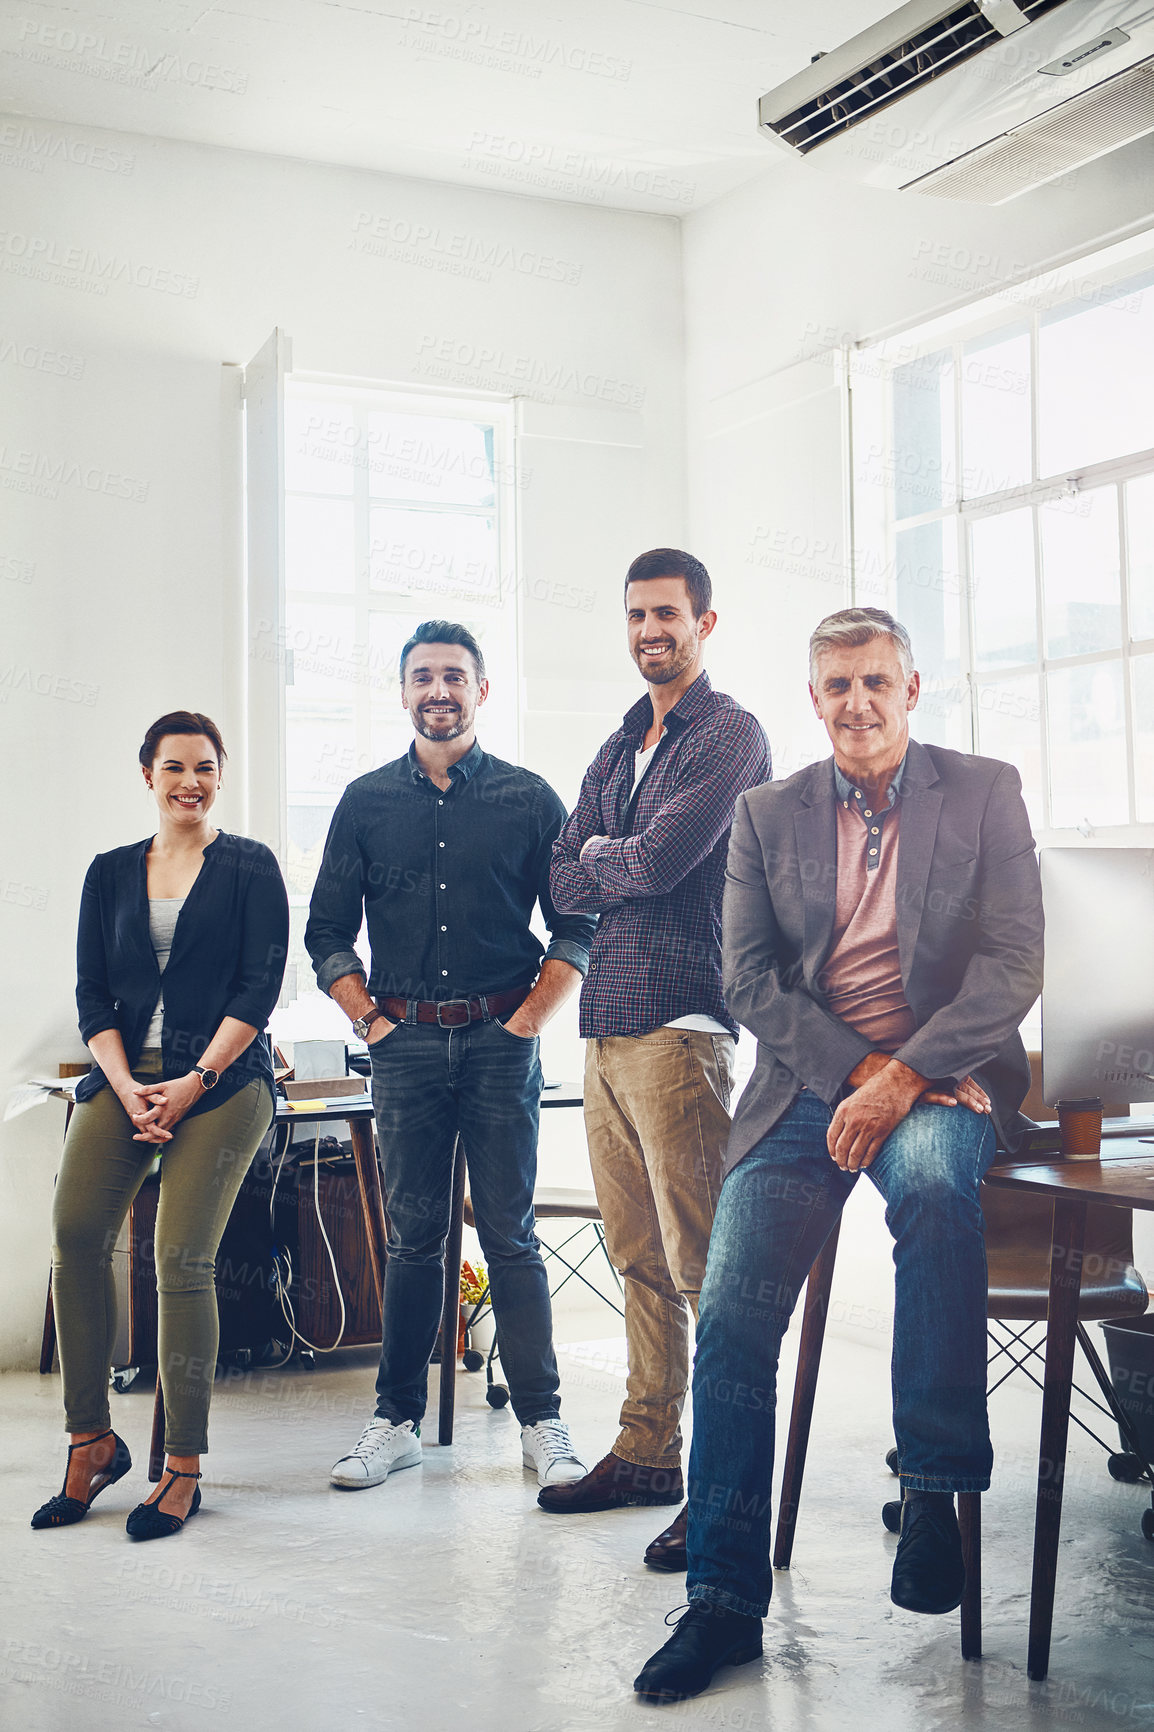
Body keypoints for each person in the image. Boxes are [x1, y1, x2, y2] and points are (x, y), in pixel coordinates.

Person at [634, 606, 1045, 1704]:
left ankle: (931, 1492)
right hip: (805, 1093)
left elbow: (1010, 965)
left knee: (929, 1191)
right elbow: (747, 980)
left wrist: (906, 1074)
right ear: (810, 699)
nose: (855, 703)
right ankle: (720, 1601)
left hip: (940, 1077)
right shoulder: (765, 814)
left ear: (912, 688)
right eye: (834, 686)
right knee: (728, 1311)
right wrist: (857, 1075)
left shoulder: (985, 789)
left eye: (875, 681)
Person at [305, 620, 597, 1493]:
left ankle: (542, 1424)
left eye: (455, 676)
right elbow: (325, 931)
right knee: (413, 1239)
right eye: (424, 676)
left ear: (481, 691)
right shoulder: (363, 802)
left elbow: (576, 920)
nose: (440, 690)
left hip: (503, 1043)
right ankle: (393, 1423)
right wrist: (369, 1019)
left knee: (509, 1235)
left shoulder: (530, 797)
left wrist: (530, 1019)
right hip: (404, 1047)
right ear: (402, 693)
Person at [542, 550, 770, 1570]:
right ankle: (646, 1453)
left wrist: (603, 856)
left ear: (704, 623)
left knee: (701, 1271)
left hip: (681, 1026)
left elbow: (658, 861)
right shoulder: (617, 741)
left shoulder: (728, 733)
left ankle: (722, 1495)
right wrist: (600, 859)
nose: (649, 630)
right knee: (633, 1256)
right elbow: (562, 879)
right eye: (635, 614)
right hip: (602, 1026)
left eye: (666, 614)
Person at [34, 711, 289, 1541]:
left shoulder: (251, 868)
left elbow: (258, 990)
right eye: (174, 767)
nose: (191, 781)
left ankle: (182, 1465)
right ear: (146, 774)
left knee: (180, 1259)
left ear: (221, 775)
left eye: (206, 768)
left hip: (222, 1083)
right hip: (124, 1083)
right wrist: (126, 1086)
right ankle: (89, 1441)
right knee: (74, 1235)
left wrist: (193, 1081)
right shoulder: (109, 874)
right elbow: (92, 996)